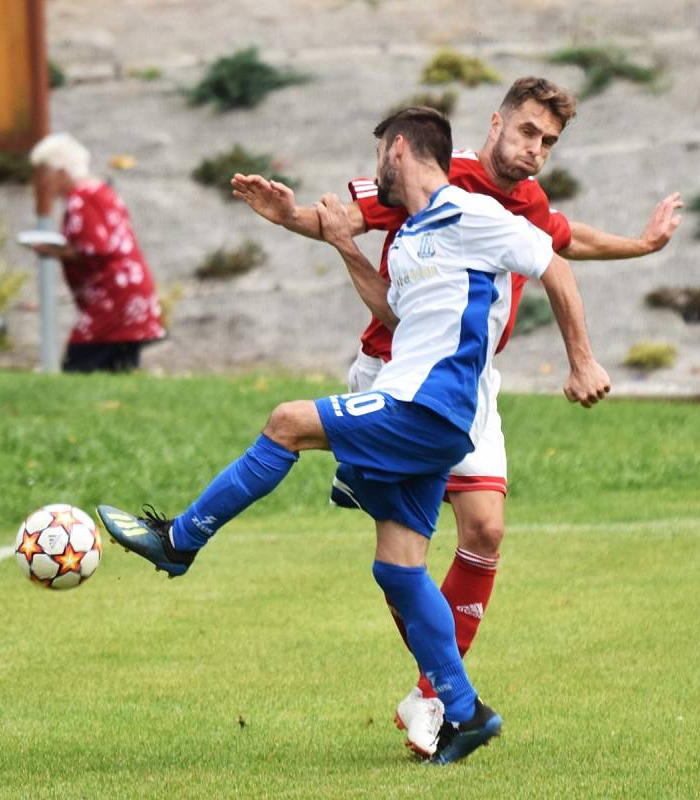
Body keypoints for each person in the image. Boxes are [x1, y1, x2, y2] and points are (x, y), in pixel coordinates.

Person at [97, 107, 610, 766]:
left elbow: (555, 268)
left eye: (376, 161)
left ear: (397, 150)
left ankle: (180, 540)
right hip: (419, 410)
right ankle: (464, 712)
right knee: (396, 569)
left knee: (286, 421)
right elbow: (392, 313)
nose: (373, 176)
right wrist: (342, 243)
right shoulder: (419, 232)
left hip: (427, 407)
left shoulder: (471, 214)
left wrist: (581, 360)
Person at [230, 76, 682, 756]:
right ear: (495, 123)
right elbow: (344, 217)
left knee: (485, 530)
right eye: (527, 131)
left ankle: (432, 697)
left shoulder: (527, 200)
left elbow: (565, 243)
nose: (535, 150)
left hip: (467, 385)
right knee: (400, 555)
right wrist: (290, 215)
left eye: (549, 142)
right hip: (395, 375)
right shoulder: (441, 178)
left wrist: (642, 246)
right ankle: (445, 694)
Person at [27, 133, 165, 372]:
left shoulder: (82, 198)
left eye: (42, 173)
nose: (39, 181)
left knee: (81, 363)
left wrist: (53, 250)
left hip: (114, 298)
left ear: (60, 171)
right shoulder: (97, 191)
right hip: (125, 294)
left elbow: (95, 248)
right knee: (116, 367)